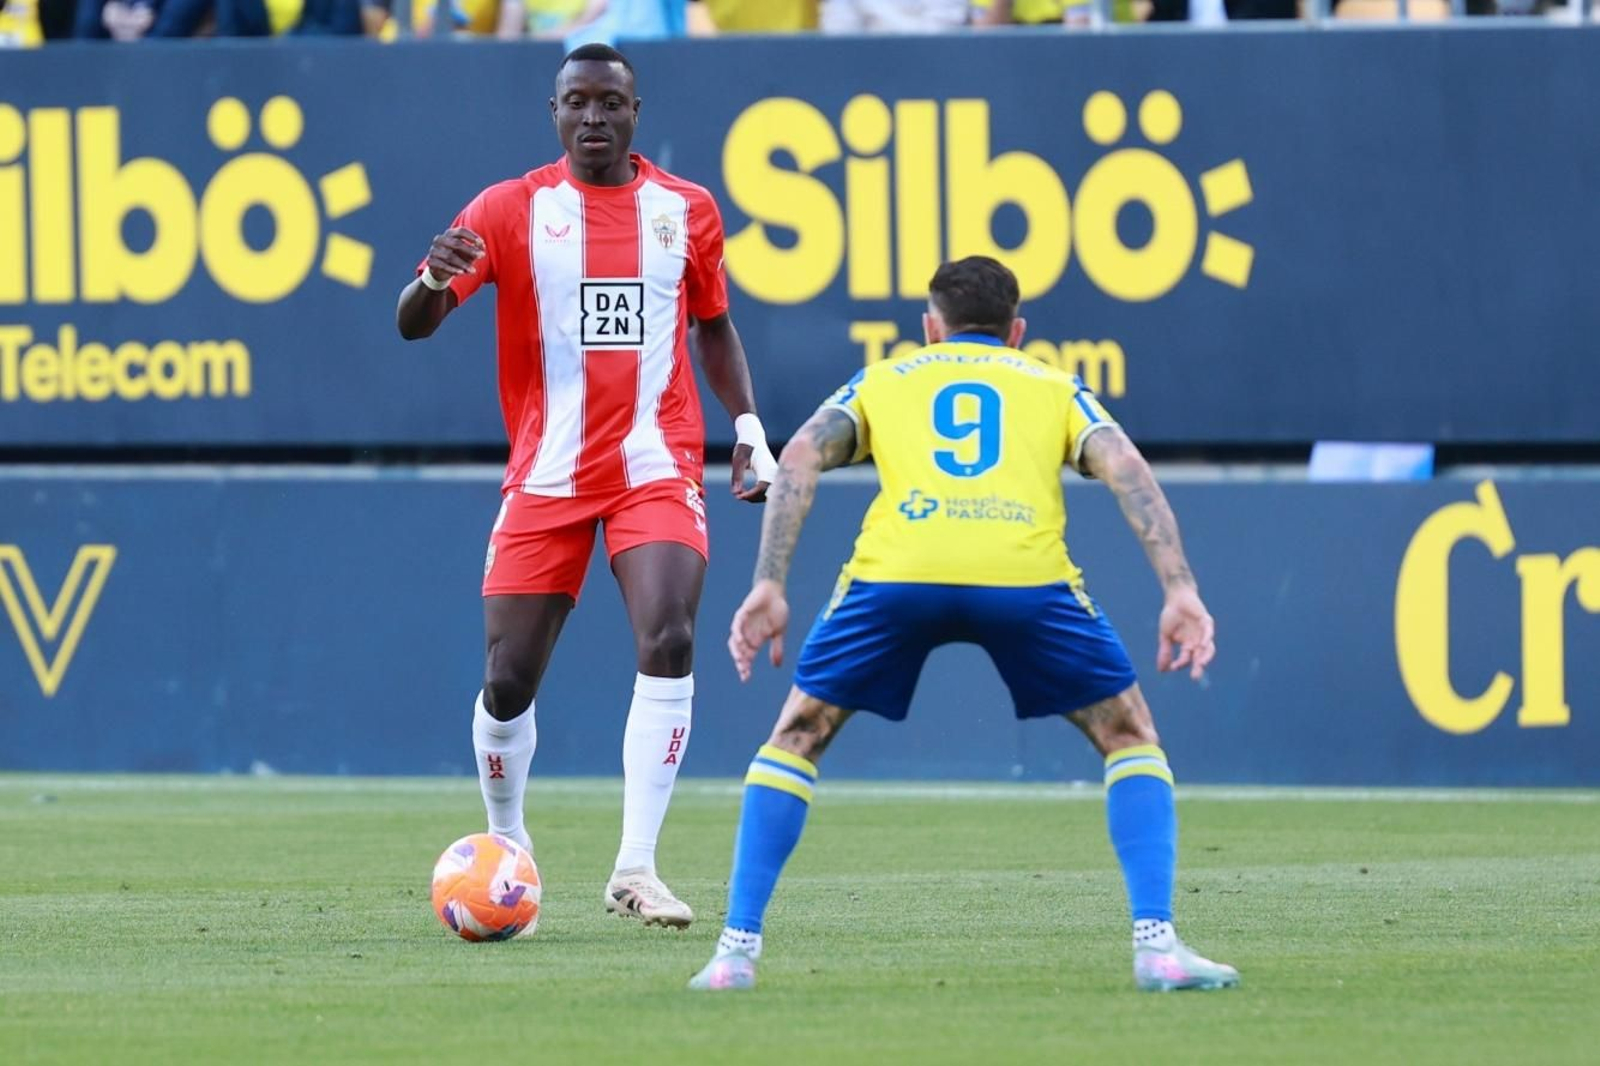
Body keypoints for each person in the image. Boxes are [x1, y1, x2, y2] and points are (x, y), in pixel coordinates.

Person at [688, 256, 1239, 992]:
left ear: (930, 325)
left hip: (896, 577)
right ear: (1016, 330)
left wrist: (769, 585)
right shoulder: (1054, 385)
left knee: (797, 736)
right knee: (1129, 735)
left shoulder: (887, 378)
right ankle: (1156, 945)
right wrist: (1180, 590)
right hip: (1024, 579)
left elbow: (800, 456)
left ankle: (733, 954)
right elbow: (1128, 468)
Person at [396, 43, 777, 931]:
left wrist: (749, 428)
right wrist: (431, 276)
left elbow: (714, 328)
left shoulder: (686, 212)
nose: (594, 117)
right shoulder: (510, 209)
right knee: (508, 681)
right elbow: (412, 325)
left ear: (636, 114)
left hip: (656, 461)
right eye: (578, 102)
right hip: (549, 472)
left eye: (612, 102)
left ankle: (636, 866)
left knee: (671, 634)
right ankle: (508, 847)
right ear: (555, 112)